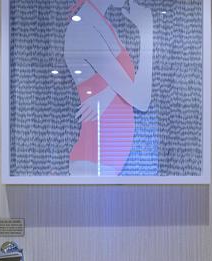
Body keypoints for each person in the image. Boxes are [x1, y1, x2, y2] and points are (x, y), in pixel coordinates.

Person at [64, 0, 153, 176]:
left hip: (103, 163)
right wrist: (146, 32)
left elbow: (129, 85)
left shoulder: (98, 21)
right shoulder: (84, 29)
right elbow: (141, 99)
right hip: (93, 163)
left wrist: (109, 92)